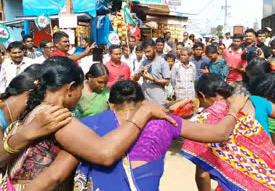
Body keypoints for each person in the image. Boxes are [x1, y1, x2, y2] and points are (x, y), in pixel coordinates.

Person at [3, 57, 176, 190]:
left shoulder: (35, 110)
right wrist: (143, 113)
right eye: (80, 88)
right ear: (71, 88)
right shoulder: (57, 117)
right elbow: (105, 153)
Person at [71, 80, 249, 191]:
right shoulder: (164, 122)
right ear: (142, 103)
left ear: (110, 105)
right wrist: (234, 108)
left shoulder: (87, 125)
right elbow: (220, 133)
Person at [182, 73, 275, 191]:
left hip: (235, 185)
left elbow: (203, 175)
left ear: (202, 95)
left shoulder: (207, 120)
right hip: (267, 179)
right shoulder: (256, 101)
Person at [132, 39, 170, 106]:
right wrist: (140, 73)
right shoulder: (144, 62)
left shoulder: (162, 62)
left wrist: (152, 79)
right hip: (146, 101)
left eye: (149, 51)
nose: (146, 54)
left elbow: (167, 82)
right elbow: (134, 79)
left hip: (158, 101)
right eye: (145, 52)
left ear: (154, 48)